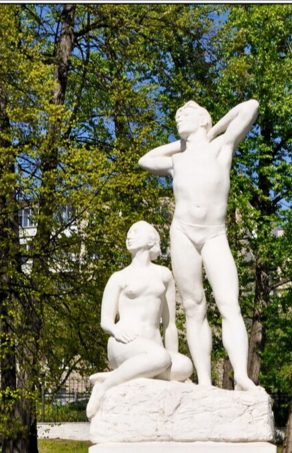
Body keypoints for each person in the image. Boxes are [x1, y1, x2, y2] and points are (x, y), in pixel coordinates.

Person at [138, 99, 259, 390]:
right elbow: (145, 160)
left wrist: (211, 132)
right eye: (177, 114)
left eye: (186, 113)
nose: (179, 116)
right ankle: (204, 380)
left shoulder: (222, 146)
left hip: (214, 234)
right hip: (182, 233)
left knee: (229, 304)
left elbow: (250, 107)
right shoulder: (177, 160)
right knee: (194, 307)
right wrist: (184, 144)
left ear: (203, 119)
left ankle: (241, 376)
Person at [86, 221, 193, 419]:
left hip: (154, 347)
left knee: (185, 366)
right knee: (161, 358)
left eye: (135, 231)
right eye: (129, 232)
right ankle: (104, 387)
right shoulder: (119, 277)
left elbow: (169, 325)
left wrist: (172, 356)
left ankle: (119, 376)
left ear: (151, 239)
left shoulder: (164, 275)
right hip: (124, 342)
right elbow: (105, 321)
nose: (129, 236)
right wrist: (116, 330)